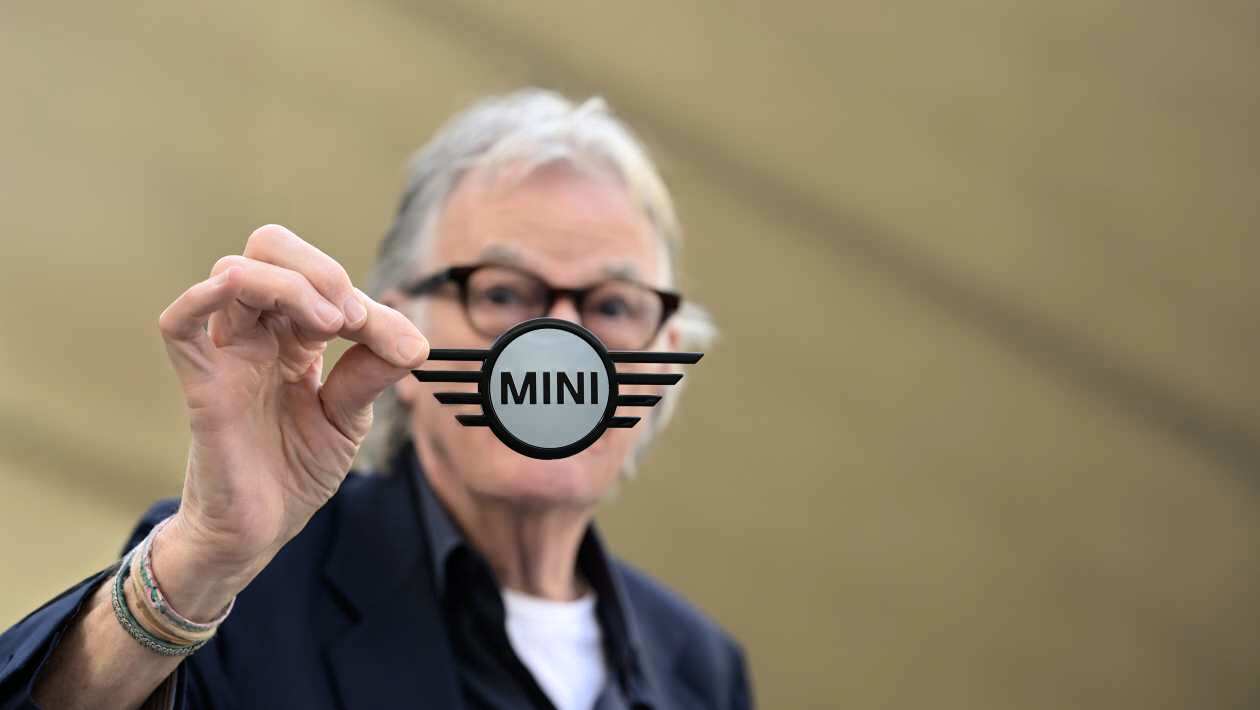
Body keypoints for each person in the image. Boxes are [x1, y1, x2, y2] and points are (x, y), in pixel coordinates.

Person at [0, 90, 750, 709]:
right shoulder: (243, 577)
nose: (560, 344)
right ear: (401, 337)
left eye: (613, 306)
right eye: (502, 294)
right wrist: (201, 566)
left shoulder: (700, 668)